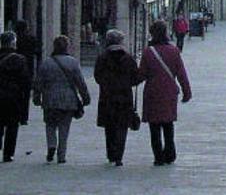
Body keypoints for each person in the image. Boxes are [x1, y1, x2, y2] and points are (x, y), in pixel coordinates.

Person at [139, 21, 192, 166]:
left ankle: (158, 157)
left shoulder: (148, 52)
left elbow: (141, 74)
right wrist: (187, 91)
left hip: (152, 93)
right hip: (169, 92)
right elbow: (181, 73)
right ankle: (170, 153)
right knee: (168, 124)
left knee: (154, 126)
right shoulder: (174, 51)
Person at [33, 35, 91, 164]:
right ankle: (61, 155)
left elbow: (38, 83)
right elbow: (80, 82)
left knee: (50, 124)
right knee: (64, 128)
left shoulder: (46, 62)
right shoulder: (73, 62)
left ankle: (51, 145)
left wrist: (37, 97)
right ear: (67, 47)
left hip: (50, 100)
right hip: (68, 100)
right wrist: (85, 97)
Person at [94, 30, 139, 166]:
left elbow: (97, 76)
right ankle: (119, 155)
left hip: (107, 96)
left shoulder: (102, 57)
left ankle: (111, 154)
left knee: (110, 126)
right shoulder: (128, 58)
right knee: (122, 126)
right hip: (124, 96)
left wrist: (106, 83)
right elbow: (135, 78)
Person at [0, 31, 31, 163]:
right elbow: (25, 83)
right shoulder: (20, 60)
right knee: (12, 125)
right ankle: (8, 153)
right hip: (14, 97)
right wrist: (25, 112)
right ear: (13, 43)